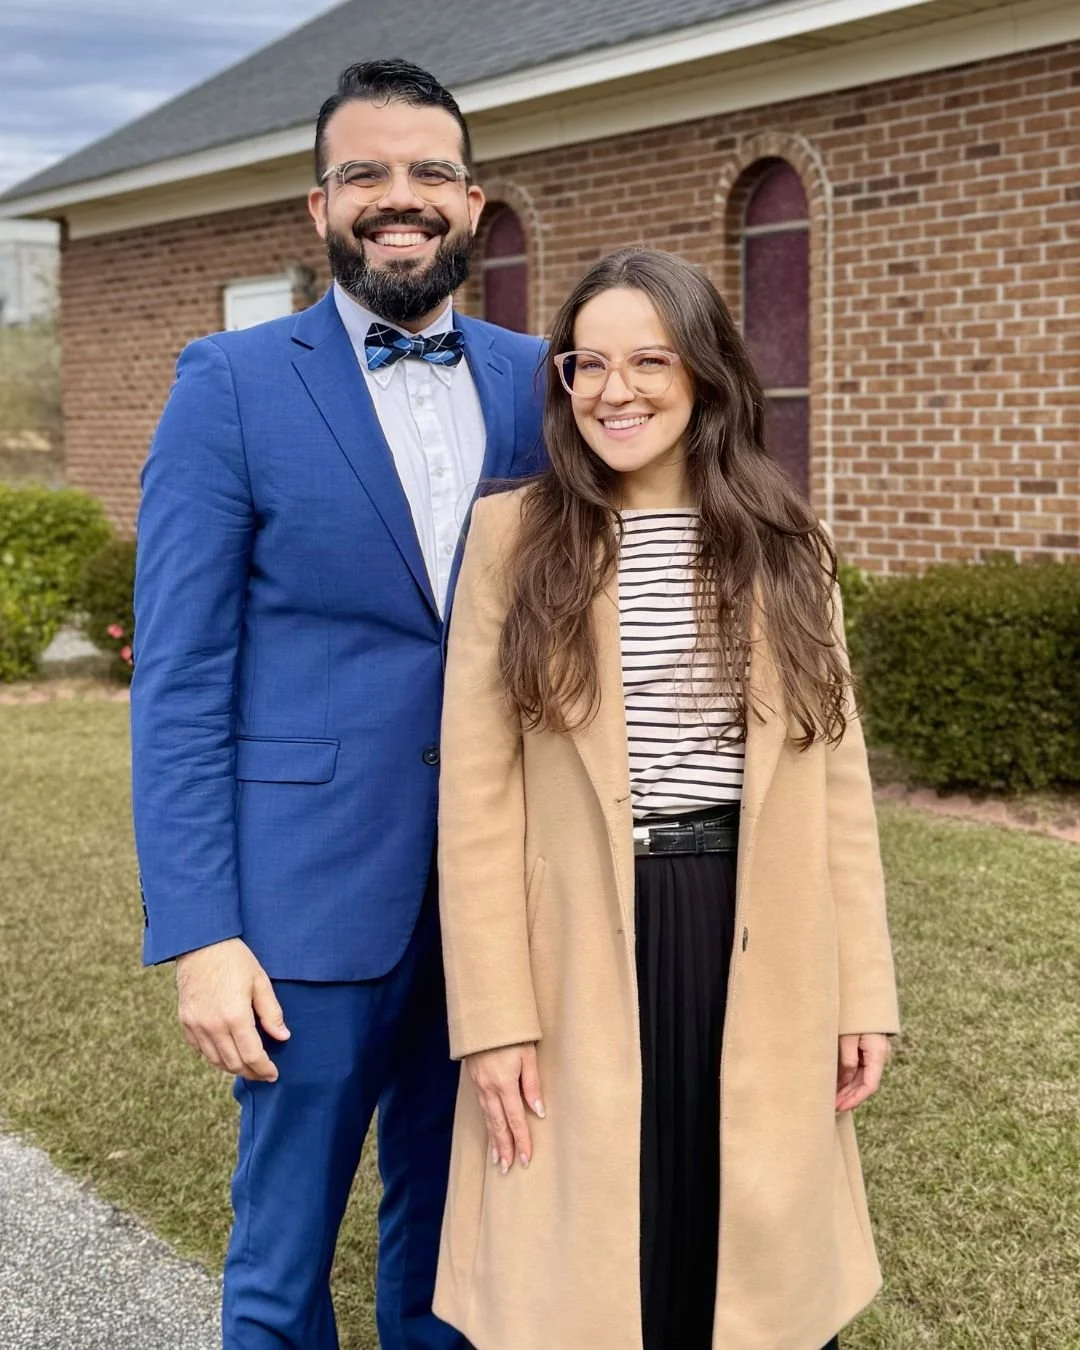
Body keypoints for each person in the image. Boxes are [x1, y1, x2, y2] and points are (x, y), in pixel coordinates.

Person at [130, 59, 544, 1350]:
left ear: (472, 203)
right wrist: (203, 929)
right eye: (365, 173)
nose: (398, 196)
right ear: (319, 206)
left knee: (461, 1247)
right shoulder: (230, 382)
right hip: (305, 903)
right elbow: (180, 680)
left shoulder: (542, 380)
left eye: (429, 173)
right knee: (280, 1259)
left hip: (499, 901)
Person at [434, 248, 899, 1350]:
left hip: (757, 934)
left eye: (649, 360)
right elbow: (477, 800)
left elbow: (837, 783)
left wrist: (865, 994)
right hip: (580, 949)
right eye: (587, 364)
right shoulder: (514, 537)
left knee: (746, 1257)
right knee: (596, 1268)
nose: (616, 390)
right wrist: (494, 1021)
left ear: (705, 371)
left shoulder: (787, 544)